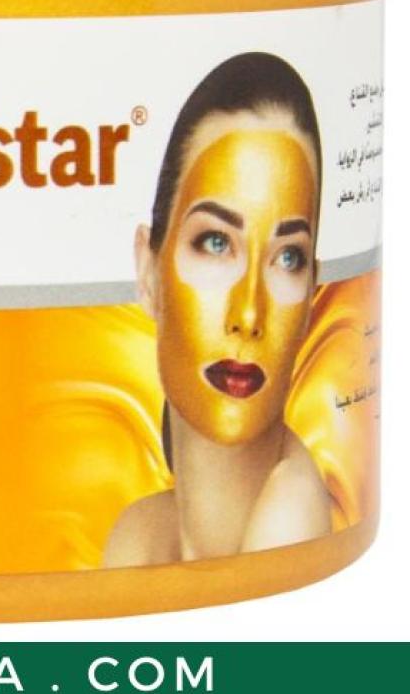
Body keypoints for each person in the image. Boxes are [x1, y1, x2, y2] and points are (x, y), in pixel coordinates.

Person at [104, 52, 332, 567]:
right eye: (215, 243)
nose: (248, 315)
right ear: (148, 272)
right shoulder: (139, 532)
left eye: (288, 257)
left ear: (311, 296)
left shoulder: (292, 518)